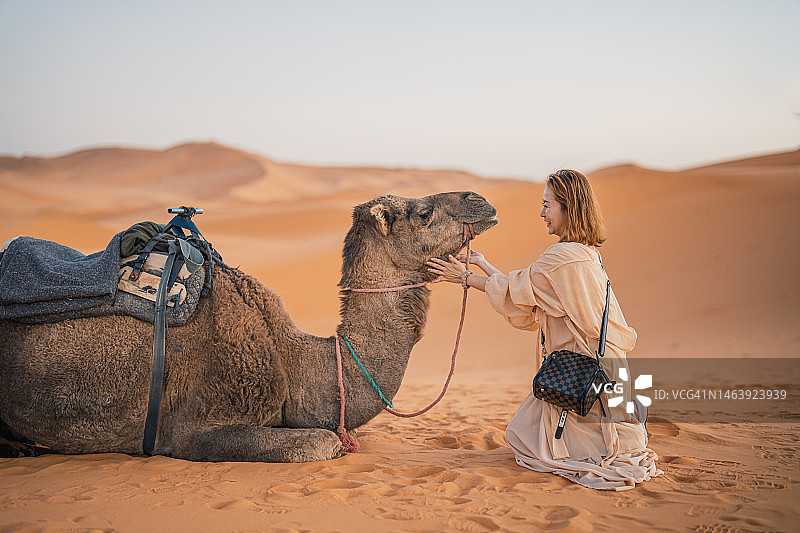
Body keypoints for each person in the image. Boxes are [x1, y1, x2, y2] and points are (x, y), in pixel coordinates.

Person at [426, 169, 662, 490]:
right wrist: (482, 263)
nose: (541, 213)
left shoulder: (561, 257)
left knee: (527, 440)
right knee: (532, 432)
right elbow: (527, 290)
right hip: (600, 364)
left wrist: (465, 278)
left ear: (568, 207)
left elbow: (518, 291)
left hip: (580, 368)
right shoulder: (585, 254)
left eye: (547, 205)